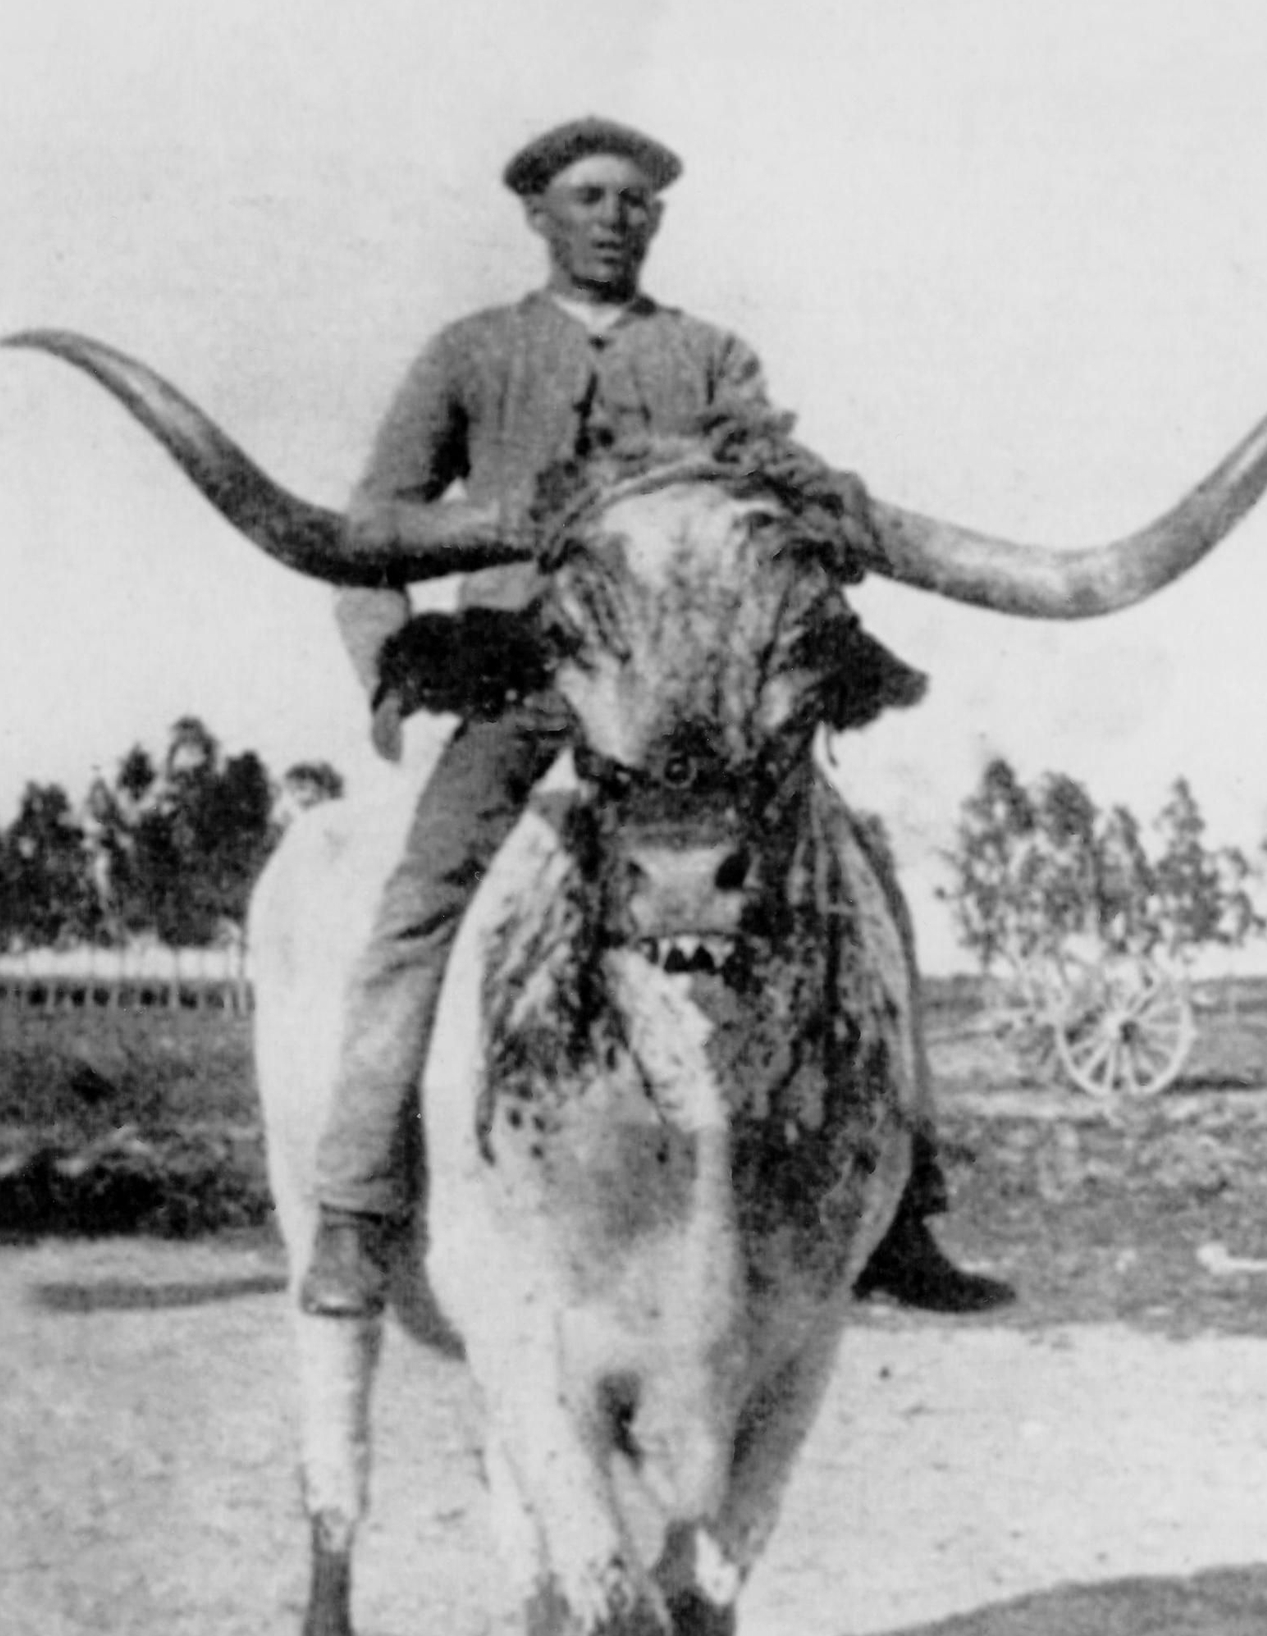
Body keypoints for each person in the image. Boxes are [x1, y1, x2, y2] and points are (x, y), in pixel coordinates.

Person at [301, 116, 975, 1319]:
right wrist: (388, 664)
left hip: (701, 709)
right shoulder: (472, 353)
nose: (616, 217)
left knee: (863, 881)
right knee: (416, 908)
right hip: (528, 685)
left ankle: (903, 1203)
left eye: (637, 201)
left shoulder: (712, 357)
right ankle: (355, 1206)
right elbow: (374, 526)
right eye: (591, 195)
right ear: (537, 214)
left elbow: (770, 496)